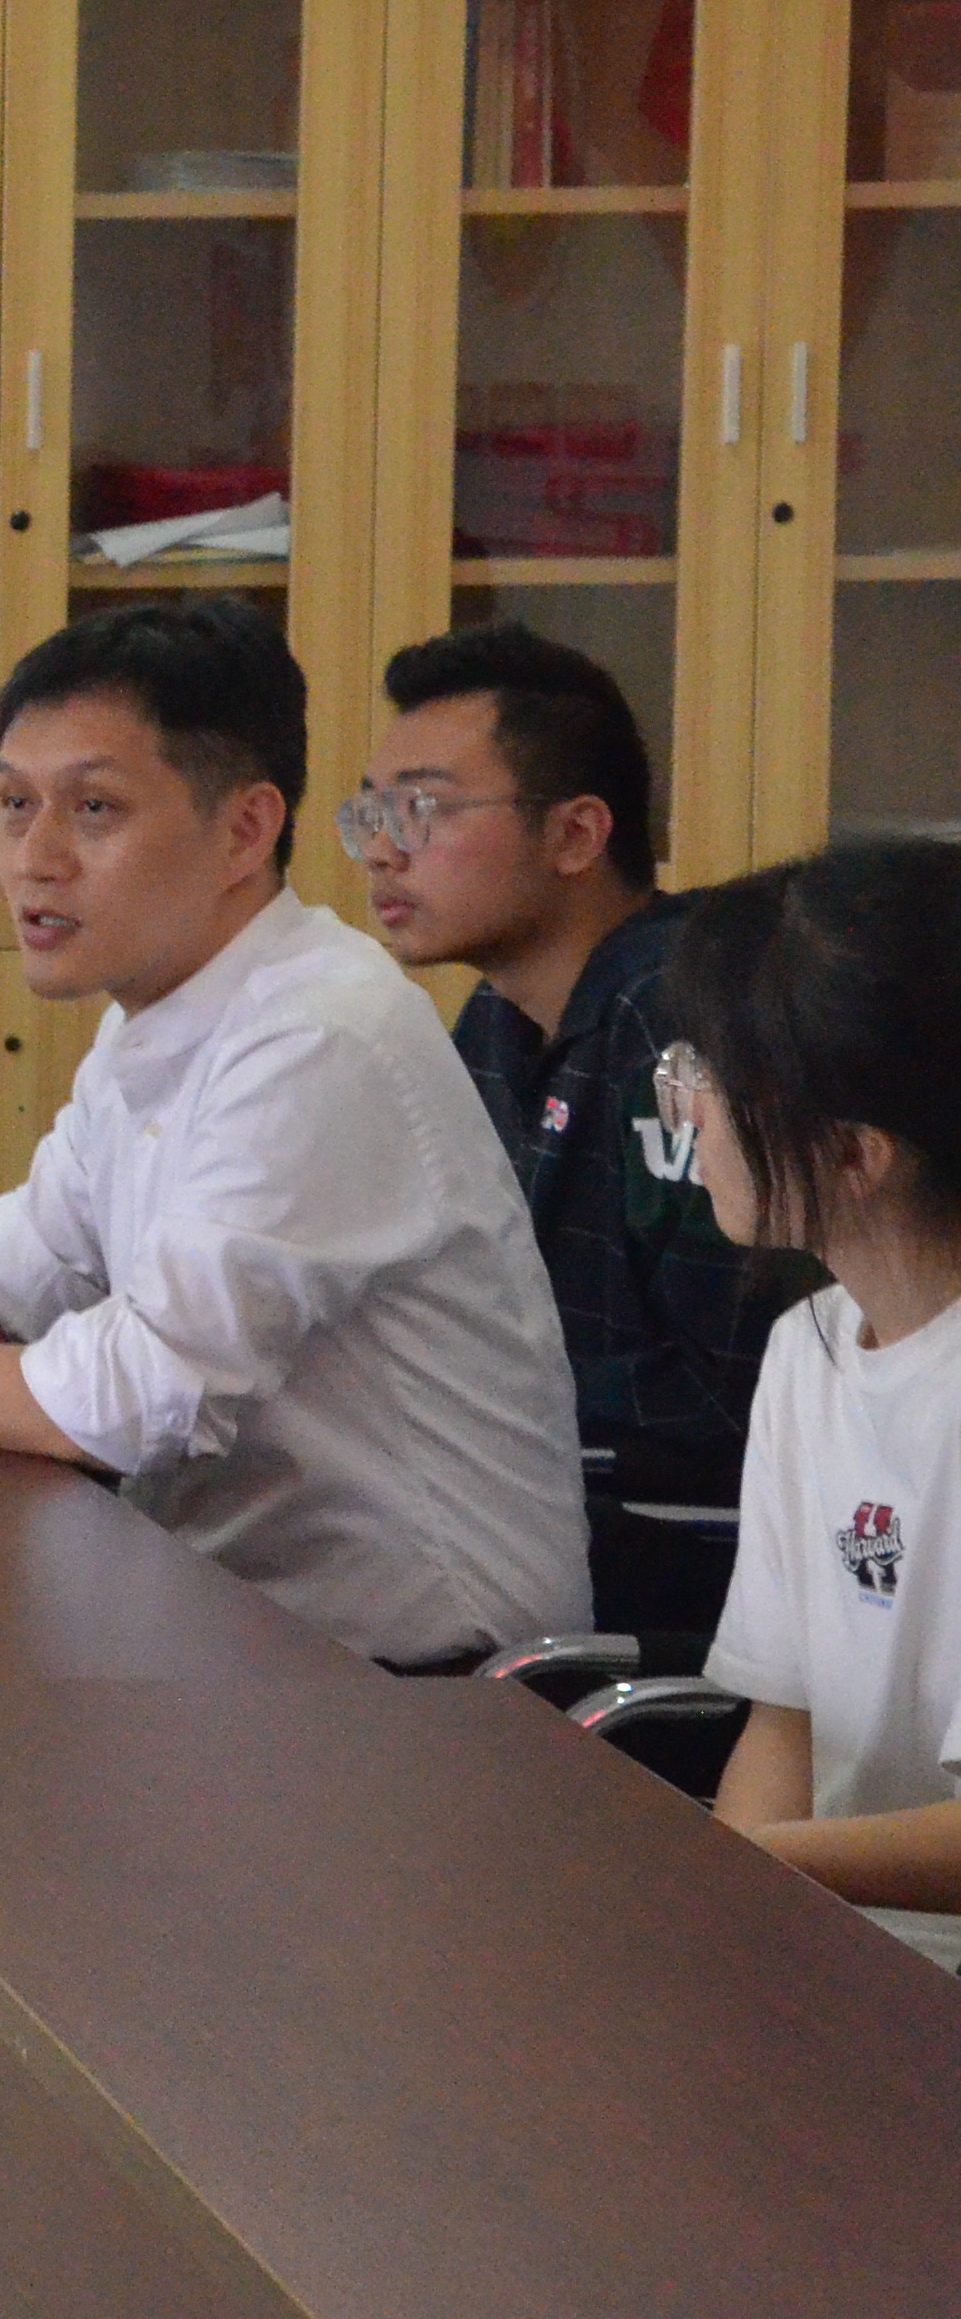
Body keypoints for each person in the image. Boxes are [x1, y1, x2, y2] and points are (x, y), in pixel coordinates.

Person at [0, 599, 589, 1664]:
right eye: (14, 804)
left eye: (92, 809)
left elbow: (138, 1396)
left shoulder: (319, 1035)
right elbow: (8, 1273)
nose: (34, 857)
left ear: (244, 831)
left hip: (430, 1689)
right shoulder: (162, 1013)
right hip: (233, 1634)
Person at [347, 621, 804, 1636]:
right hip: (545, 1527)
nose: (380, 849)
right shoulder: (498, 1020)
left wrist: (450, 1393)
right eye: (371, 812)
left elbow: (729, 1396)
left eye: (421, 809)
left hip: (689, 1574)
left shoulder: (676, 1018)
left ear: (575, 836)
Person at [666, 839, 961, 1971]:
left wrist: (733, 1869)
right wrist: (733, 1931)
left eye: (711, 1078)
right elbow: (781, 1720)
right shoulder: (809, 1350)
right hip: (842, 1957)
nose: (686, 1114)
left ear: (852, 1154)